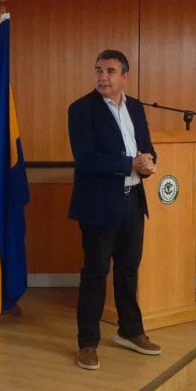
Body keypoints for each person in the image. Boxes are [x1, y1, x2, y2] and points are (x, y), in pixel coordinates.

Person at [67, 49, 161, 370]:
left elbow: (146, 146)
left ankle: (130, 331)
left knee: (128, 271)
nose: (102, 77)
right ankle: (88, 342)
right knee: (95, 274)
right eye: (98, 70)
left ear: (124, 76)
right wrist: (129, 163)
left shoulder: (134, 106)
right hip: (98, 204)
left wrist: (149, 162)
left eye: (109, 71)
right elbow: (86, 159)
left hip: (133, 201)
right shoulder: (81, 110)